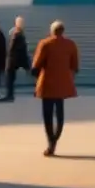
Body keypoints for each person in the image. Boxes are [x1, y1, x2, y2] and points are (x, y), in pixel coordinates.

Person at [31, 20, 79, 157]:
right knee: (60, 112)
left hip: (47, 83)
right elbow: (75, 65)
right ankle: (56, 137)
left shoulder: (45, 43)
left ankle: (51, 141)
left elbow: (36, 65)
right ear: (63, 31)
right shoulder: (70, 44)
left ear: (52, 31)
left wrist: (35, 74)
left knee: (47, 114)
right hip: (63, 83)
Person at [4, 17, 30, 102]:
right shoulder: (21, 34)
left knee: (9, 79)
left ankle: (9, 95)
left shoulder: (16, 34)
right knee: (11, 78)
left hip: (13, 60)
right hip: (18, 60)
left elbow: (11, 48)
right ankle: (10, 95)